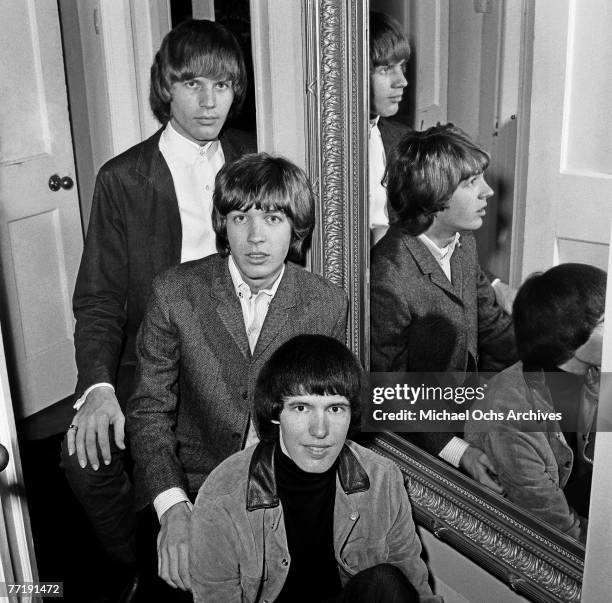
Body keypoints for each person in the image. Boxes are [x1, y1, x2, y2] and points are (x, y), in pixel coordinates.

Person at [60, 18, 255, 577]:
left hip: (232, 349)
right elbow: (97, 298)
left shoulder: (250, 157)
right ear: (165, 88)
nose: (209, 101)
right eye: (193, 84)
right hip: (150, 356)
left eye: (221, 86)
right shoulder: (123, 178)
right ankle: (138, 568)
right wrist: (96, 387)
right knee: (84, 462)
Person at [127, 153, 348, 593]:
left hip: (285, 488)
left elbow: (325, 415)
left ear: (296, 227)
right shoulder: (174, 292)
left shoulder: (326, 302)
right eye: (239, 216)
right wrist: (173, 508)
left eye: (272, 218)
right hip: (188, 484)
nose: (255, 236)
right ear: (222, 225)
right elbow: (149, 411)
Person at [190, 334, 442, 602]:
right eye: (301, 408)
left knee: (385, 582)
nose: (320, 431)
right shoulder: (222, 499)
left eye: (335, 409)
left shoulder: (383, 479)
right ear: (276, 413)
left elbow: (414, 584)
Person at [370, 124, 516, 491]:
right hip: (424, 438)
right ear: (432, 194)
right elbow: (389, 394)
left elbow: (494, 328)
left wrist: (559, 347)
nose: (489, 191)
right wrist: (460, 452)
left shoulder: (461, 243)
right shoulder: (390, 277)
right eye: (471, 183)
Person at [465, 263, 605, 542]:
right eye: (604, 322)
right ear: (569, 333)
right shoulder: (509, 415)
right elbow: (560, 532)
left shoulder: (592, 374)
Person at [368, 11, 411, 245]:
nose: (402, 81)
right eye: (386, 69)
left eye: (402, 67)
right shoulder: (328, 144)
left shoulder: (403, 139)